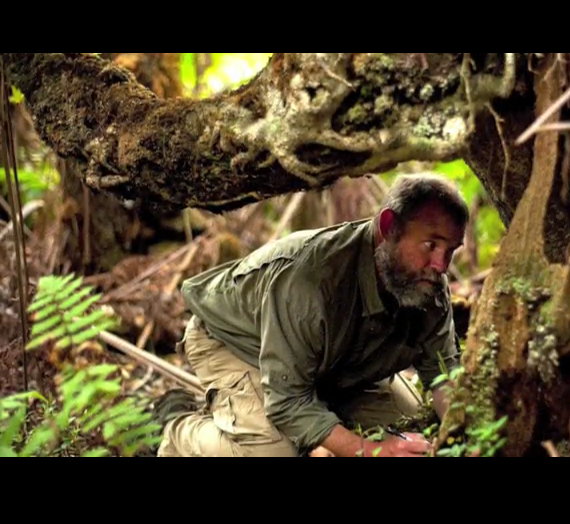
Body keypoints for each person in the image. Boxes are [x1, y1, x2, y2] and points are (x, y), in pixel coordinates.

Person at [155, 173, 469, 458]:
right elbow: (288, 401)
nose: (441, 265)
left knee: (413, 425)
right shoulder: (311, 281)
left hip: (328, 367)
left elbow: (442, 374)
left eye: (451, 250)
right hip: (238, 346)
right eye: (430, 244)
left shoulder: (428, 285)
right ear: (388, 227)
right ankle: (178, 425)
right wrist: (372, 451)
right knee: (275, 453)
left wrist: (466, 436)